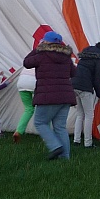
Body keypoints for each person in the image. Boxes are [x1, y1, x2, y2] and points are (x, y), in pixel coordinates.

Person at [23, 31, 77, 160]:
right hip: (66, 96)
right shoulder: (66, 57)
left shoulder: (41, 55)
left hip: (47, 96)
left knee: (40, 122)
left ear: (45, 41)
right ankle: (65, 157)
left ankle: (55, 146)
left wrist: (37, 49)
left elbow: (26, 63)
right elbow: (74, 73)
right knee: (60, 127)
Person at [13, 66, 36, 143]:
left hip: (21, 83)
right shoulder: (45, 60)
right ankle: (46, 135)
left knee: (28, 109)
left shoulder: (28, 61)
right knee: (43, 108)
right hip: (34, 82)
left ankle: (18, 131)